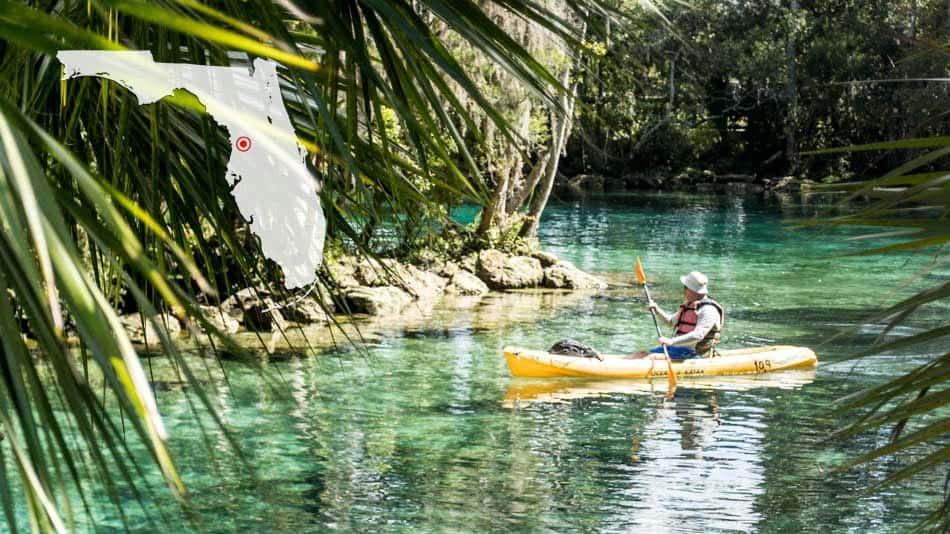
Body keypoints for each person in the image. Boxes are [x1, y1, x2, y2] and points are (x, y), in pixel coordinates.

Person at [628, 271, 724, 360]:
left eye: (685, 287)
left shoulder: (708, 310)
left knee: (651, 358)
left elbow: (698, 335)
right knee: (641, 354)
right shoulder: (689, 304)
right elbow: (670, 322)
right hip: (676, 349)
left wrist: (672, 341)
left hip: (693, 354)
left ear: (691, 290)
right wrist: (657, 310)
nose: (684, 290)